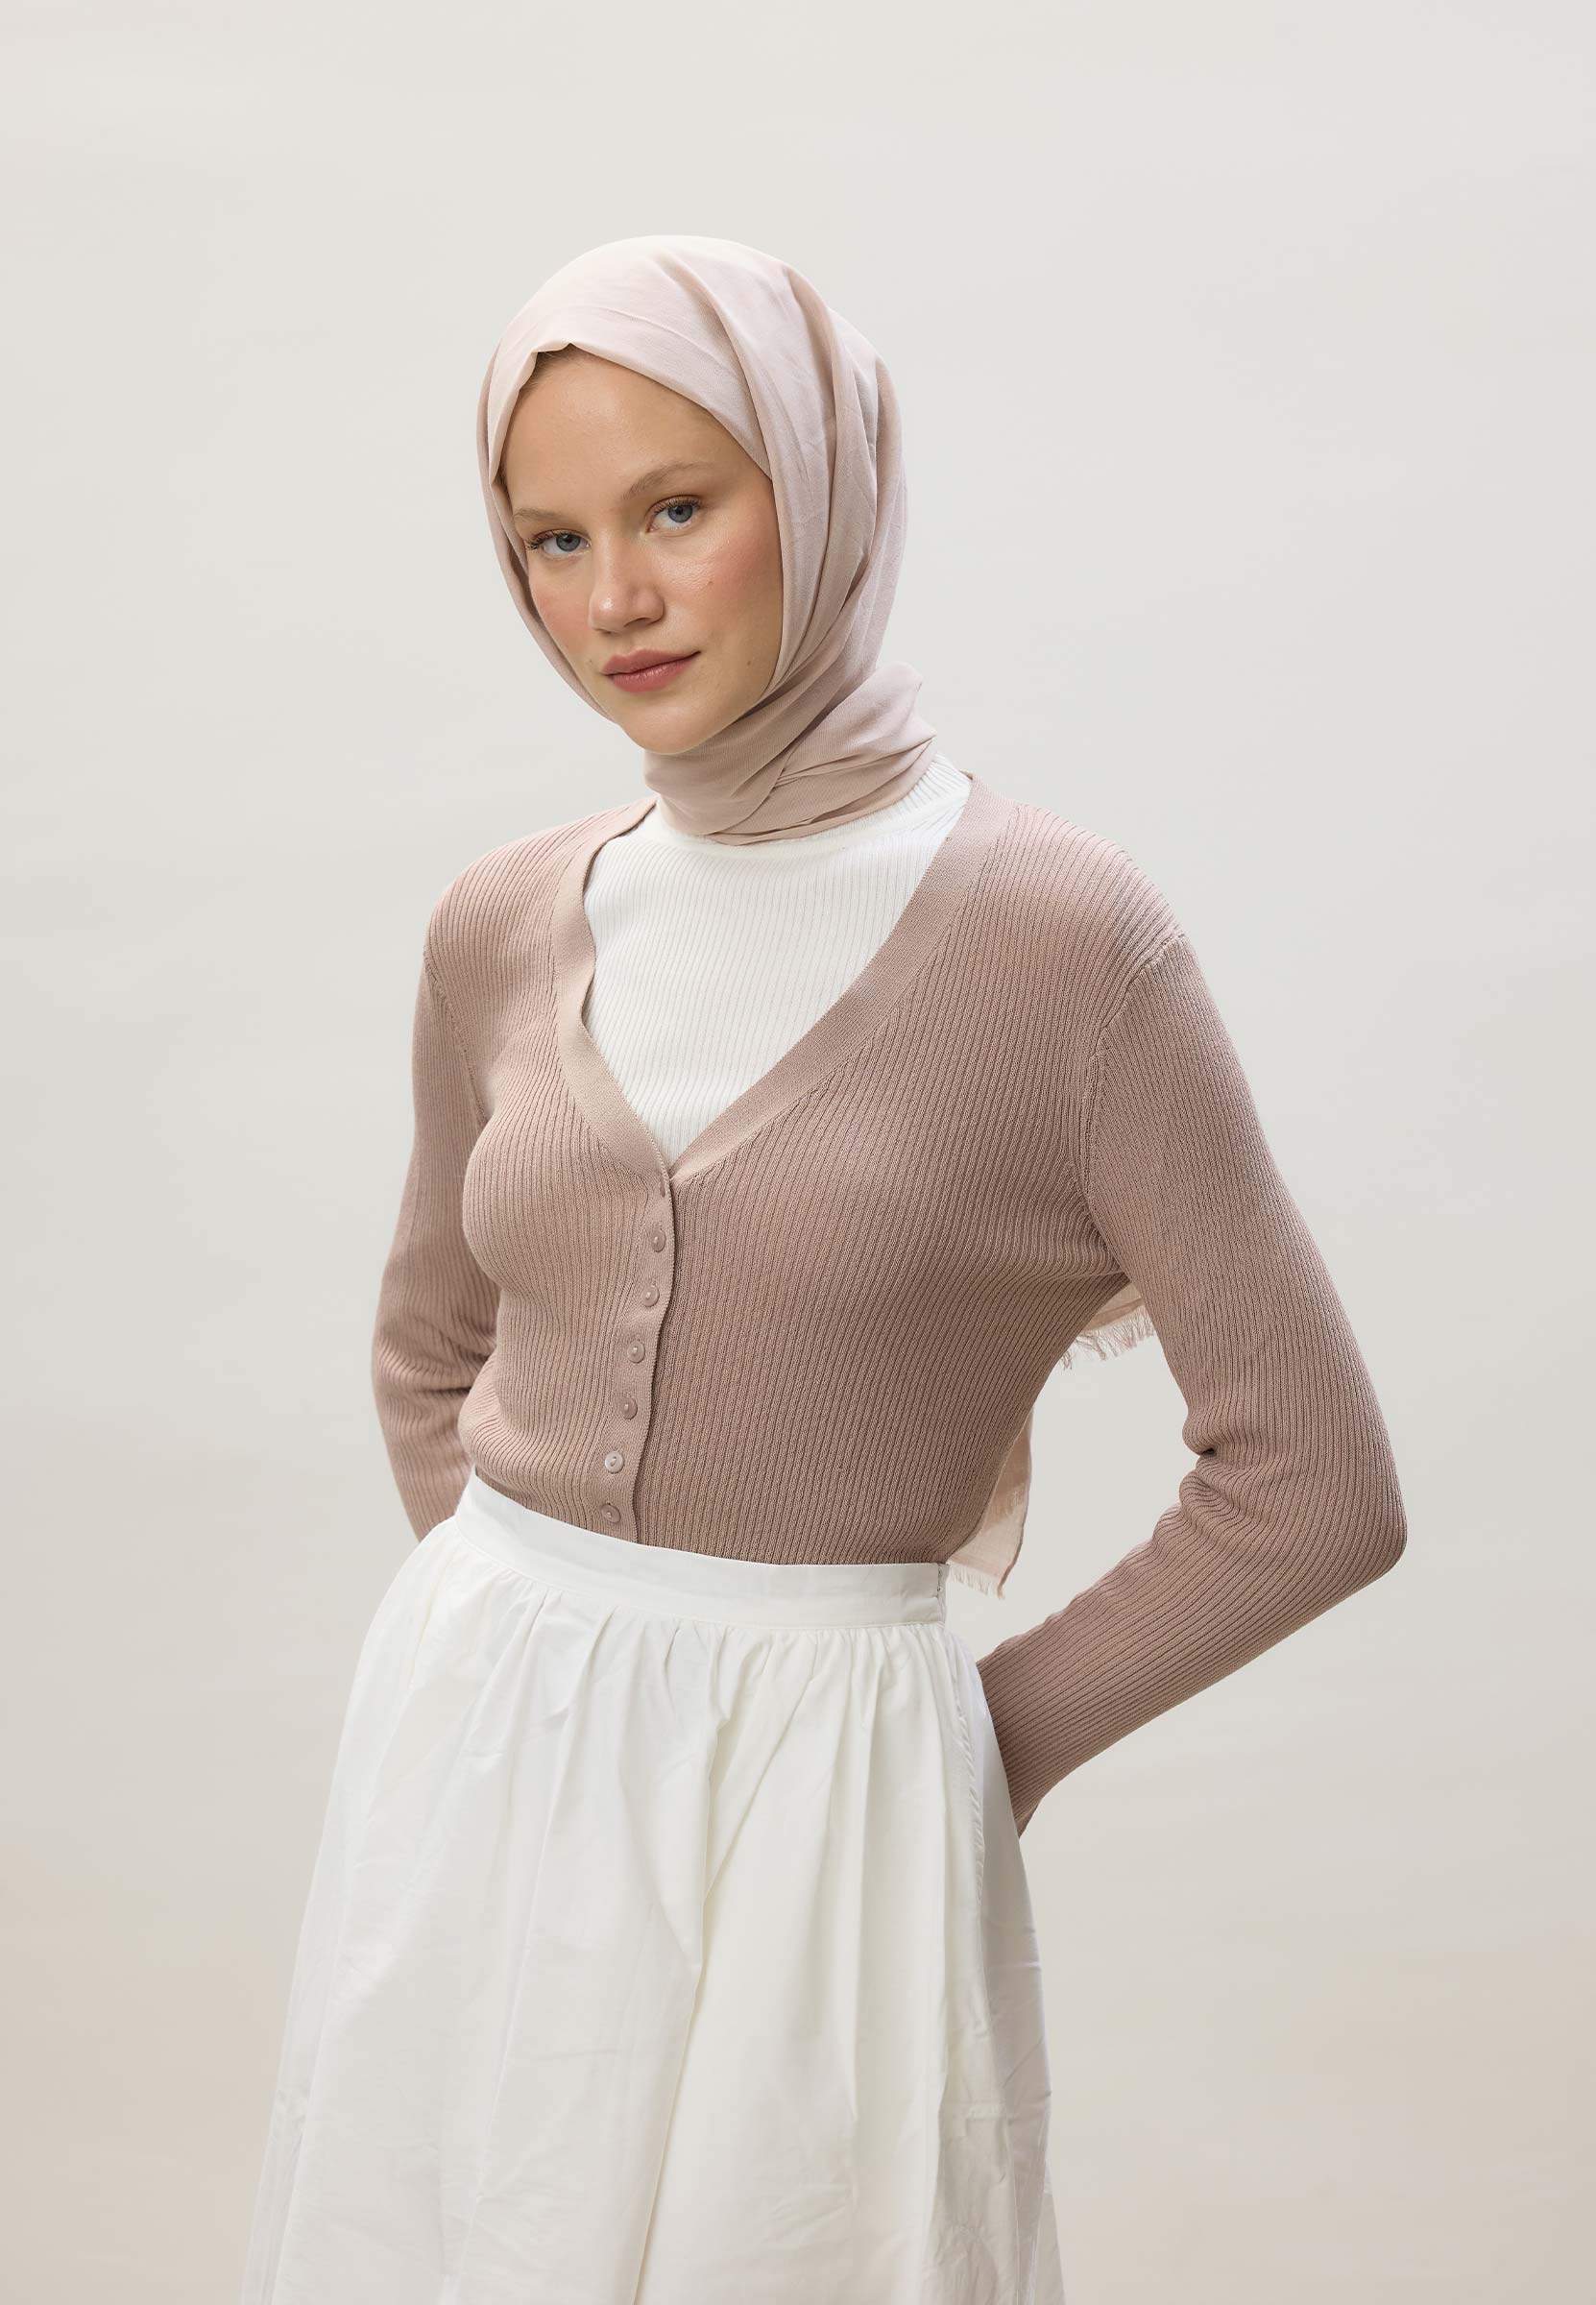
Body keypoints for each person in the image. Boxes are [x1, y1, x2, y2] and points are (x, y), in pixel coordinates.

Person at [237, 234, 1408, 2305]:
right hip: (471, 1762)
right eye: (550, 541)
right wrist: (522, 1656)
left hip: (834, 1808)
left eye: (678, 509)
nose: (613, 598)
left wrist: (963, 1748)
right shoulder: (502, 922)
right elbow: (429, 1348)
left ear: (825, 484)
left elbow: (1316, 1482)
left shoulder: (1070, 951)